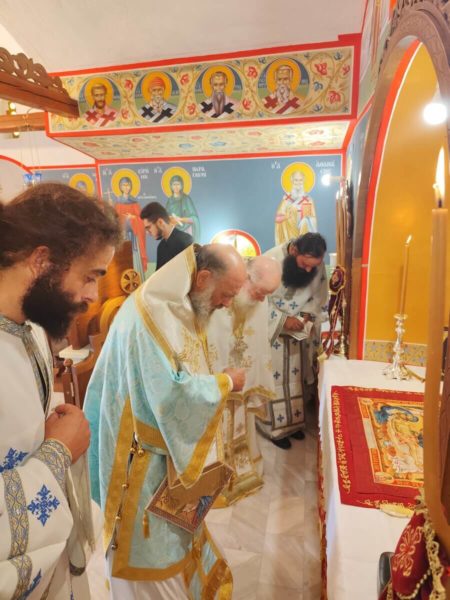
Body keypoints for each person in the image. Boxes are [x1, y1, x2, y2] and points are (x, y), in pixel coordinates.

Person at [84, 243, 247, 599]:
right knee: (150, 562)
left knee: (178, 546)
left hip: (161, 460)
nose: (226, 304)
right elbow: (170, 397)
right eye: (226, 294)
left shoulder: (178, 305)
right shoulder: (153, 314)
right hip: (140, 466)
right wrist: (224, 384)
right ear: (203, 278)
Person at [0, 183, 122, 599]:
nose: (92, 296)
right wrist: (57, 452)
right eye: (89, 276)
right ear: (42, 261)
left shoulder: (30, 329)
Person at [208, 255, 281, 504]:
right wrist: (223, 375)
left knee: (242, 424)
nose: (261, 300)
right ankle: (215, 479)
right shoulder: (217, 295)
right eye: (259, 292)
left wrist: (251, 377)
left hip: (243, 379)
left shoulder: (259, 299)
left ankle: (241, 471)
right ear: (246, 278)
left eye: (266, 295)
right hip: (218, 379)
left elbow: (260, 339)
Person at [257, 233, 328, 449]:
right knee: (275, 379)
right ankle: (274, 429)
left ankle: (293, 424)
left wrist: (306, 316)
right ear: (294, 251)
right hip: (273, 332)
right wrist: (282, 320)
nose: (308, 271)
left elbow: (318, 296)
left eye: (312, 267)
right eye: (304, 264)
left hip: (298, 332)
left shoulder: (316, 266)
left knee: (294, 378)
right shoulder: (270, 261)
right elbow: (257, 297)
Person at [140, 201, 193, 270]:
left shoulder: (185, 241)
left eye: (148, 227)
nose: (147, 232)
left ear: (160, 222)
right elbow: (159, 274)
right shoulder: (161, 247)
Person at [114, 176, 147, 281]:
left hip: (134, 238)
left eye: (128, 185)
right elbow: (116, 220)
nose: (126, 187)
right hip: (124, 237)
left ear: (131, 186)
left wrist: (132, 218)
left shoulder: (134, 202)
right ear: (120, 187)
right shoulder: (118, 203)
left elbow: (141, 219)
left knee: (135, 259)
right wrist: (123, 220)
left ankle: (138, 278)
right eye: (124, 185)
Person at [275, 170, 318, 245]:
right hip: (289, 235)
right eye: (296, 180)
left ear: (303, 180)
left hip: (303, 233)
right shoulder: (286, 199)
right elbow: (278, 219)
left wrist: (306, 220)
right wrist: (287, 216)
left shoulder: (308, 200)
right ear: (292, 180)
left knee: (306, 221)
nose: (298, 182)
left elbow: (313, 219)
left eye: (300, 180)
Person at [165, 174, 201, 242]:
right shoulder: (169, 201)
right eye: (174, 184)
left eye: (178, 184)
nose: (176, 187)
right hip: (173, 231)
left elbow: (194, 219)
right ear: (171, 186)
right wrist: (171, 220)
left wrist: (180, 219)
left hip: (186, 231)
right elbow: (166, 218)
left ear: (181, 185)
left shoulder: (186, 199)